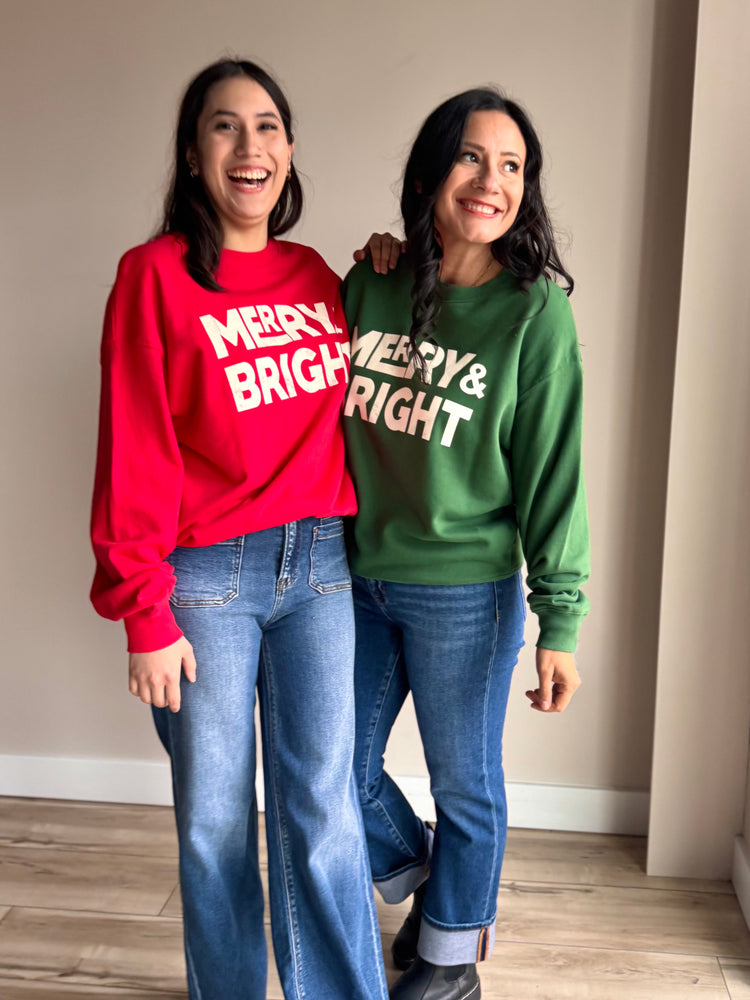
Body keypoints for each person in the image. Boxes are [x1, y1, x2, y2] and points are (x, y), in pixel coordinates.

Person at [90, 58, 389, 1000]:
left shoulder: (316, 276)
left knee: (324, 808)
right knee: (215, 821)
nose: (248, 146)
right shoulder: (153, 276)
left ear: (289, 150)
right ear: (192, 154)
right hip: (204, 580)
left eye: (266, 126)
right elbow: (133, 445)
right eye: (224, 127)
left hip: (322, 567)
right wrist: (144, 610)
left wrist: (389, 260)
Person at [343, 88, 590, 1000]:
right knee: (332, 769)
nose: (492, 181)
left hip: (465, 591)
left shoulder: (535, 315)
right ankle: (435, 887)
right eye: (471, 158)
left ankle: (450, 966)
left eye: (513, 165)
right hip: (353, 577)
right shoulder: (369, 282)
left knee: (466, 785)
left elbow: (554, 476)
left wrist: (559, 619)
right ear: (428, 173)